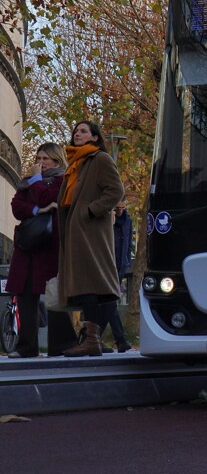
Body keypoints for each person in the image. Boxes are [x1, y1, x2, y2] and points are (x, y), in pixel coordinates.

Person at [58, 120, 125, 357]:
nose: (77, 134)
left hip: (92, 230)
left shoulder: (100, 159)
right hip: (76, 230)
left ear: (95, 137)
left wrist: (90, 210)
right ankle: (91, 340)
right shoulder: (75, 163)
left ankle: (91, 340)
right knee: (87, 285)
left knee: (95, 283)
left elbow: (116, 191)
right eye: (75, 131)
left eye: (83, 131)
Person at [6, 143, 78, 357]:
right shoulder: (26, 183)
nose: (40, 163)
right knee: (26, 296)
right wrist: (38, 209)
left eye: (45, 158)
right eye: (38, 158)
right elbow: (17, 207)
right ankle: (27, 346)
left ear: (56, 161)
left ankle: (62, 344)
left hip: (50, 245)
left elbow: (49, 197)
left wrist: (38, 184)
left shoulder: (62, 180)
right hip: (28, 245)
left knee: (54, 293)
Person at [103, 198, 134, 353]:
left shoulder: (128, 221)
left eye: (122, 208)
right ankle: (120, 340)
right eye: (117, 209)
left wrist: (126, 261)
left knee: (107, 303)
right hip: (107, 266)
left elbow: (128, 243)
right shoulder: (107, 220)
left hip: (120, 267)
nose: (120, 211)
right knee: (110, 302)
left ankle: (92, 336)